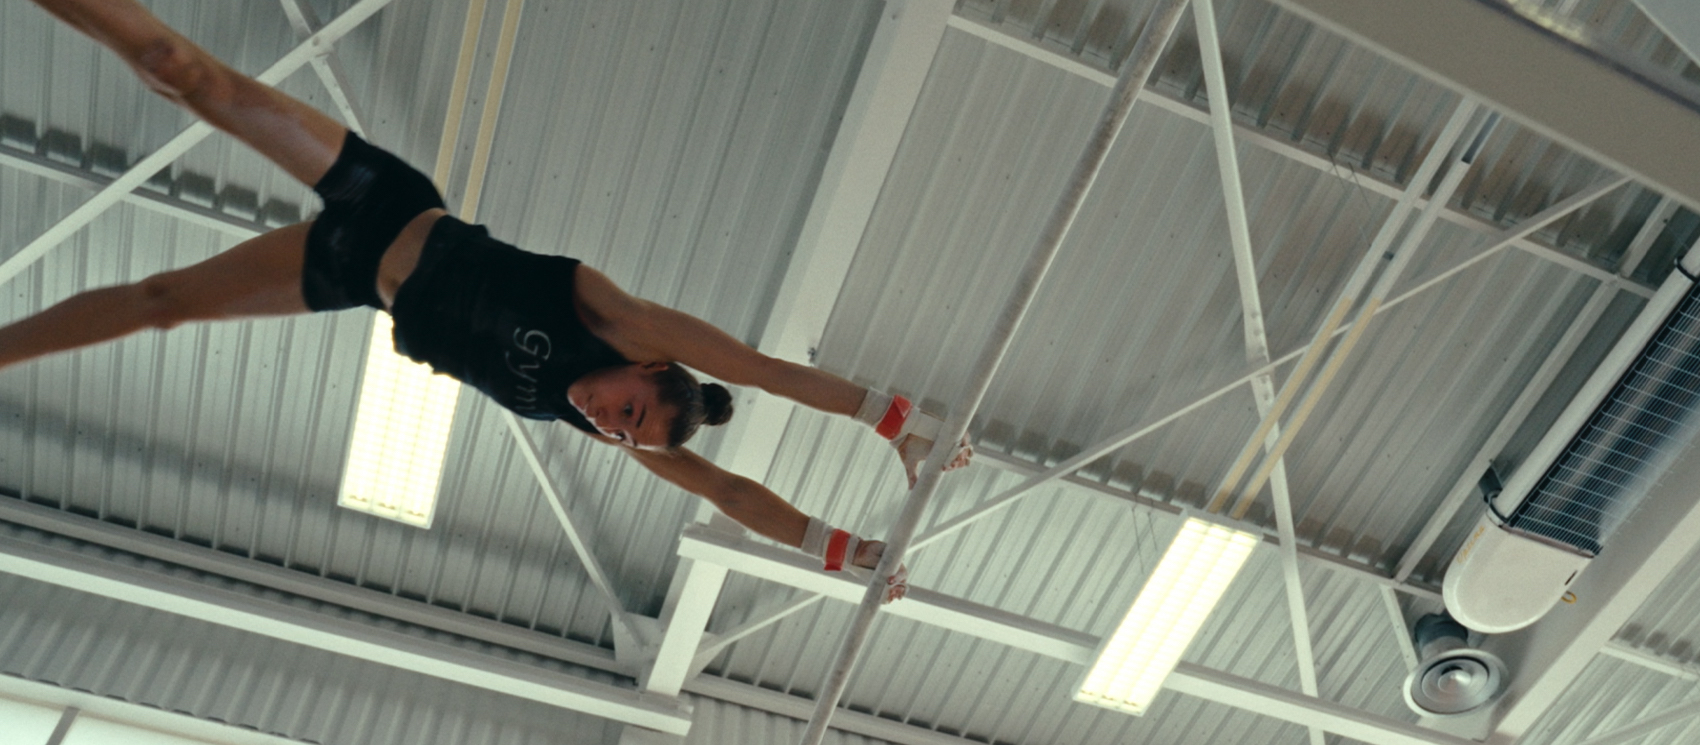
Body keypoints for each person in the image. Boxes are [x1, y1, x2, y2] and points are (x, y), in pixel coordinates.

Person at [0, 0, 971, 600]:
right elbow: (754, 368)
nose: (610, 425)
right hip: (384, 203)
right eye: (628, 410)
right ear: (646, 366)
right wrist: (892, 420)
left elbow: (723, 492)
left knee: (164, 300)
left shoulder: (606, 427)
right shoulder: (615, 321)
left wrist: (845, 552)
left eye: (626, 436)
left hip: (349, 282)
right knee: (186, 75)